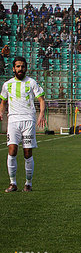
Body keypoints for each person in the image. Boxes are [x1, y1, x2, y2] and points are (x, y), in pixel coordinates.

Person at [0, 56, 46, 192]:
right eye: (18, 66)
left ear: (26, 68)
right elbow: (3, 101)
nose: (20, 69)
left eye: (23, 66)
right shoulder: (7, 84)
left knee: (27, 152)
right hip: (13, 120)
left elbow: (41, 100)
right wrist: (1, 112)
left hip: (28, 120)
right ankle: (12, 183)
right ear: (13, 68)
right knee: (12, 150)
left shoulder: (31, 82)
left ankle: (28, 183)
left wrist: (41, 115)